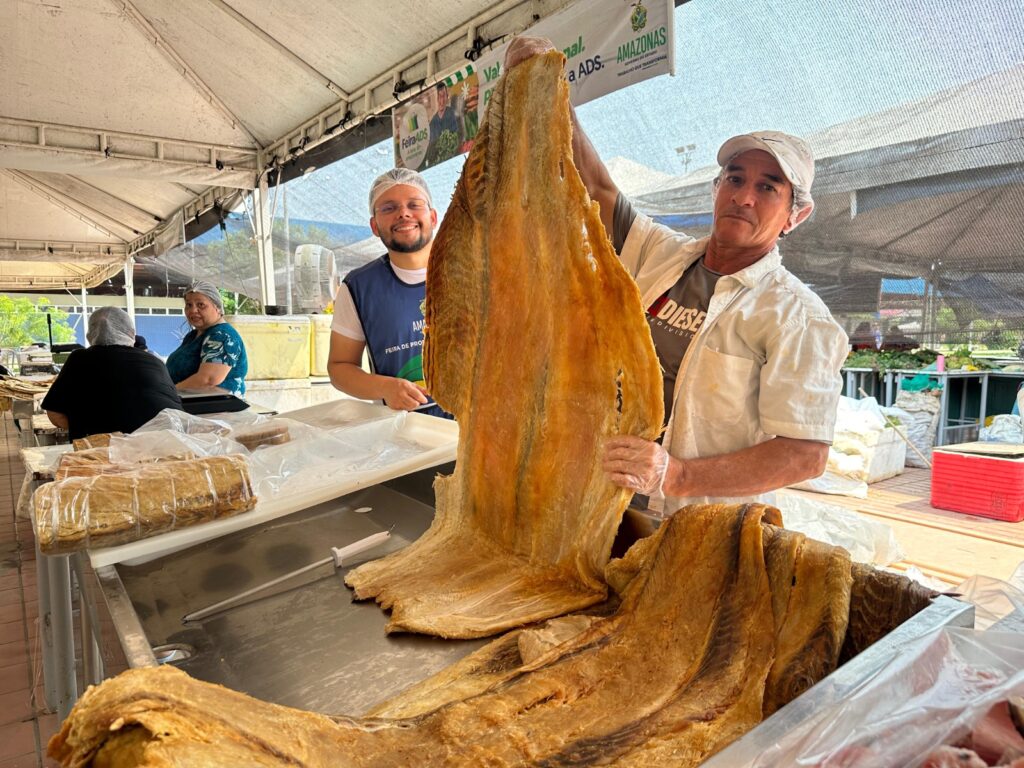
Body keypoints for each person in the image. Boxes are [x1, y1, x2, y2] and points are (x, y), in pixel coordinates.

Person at [504, 38, 849, 513]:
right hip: (607, 496)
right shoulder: (660, 254)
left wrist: (678, 474)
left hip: (697, 522)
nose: (744, 196)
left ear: (796, 215)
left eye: (768, 187)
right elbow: (596, 185)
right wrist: (549, 87)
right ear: (716, 189)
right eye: (735, 178)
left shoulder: (797, 316)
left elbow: (805, 454)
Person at [327, 169, 450, 419]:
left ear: (434, 217)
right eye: (388, 208)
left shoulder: (473, 271)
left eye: (414, 205)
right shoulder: (359, 288)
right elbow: (339, 367)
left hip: (482, 428)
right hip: (408, 436)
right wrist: (385, 388)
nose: (403, 213)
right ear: (374, 225)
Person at [42, 307, 183, 440]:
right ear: (132, 333)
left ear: (90, 335)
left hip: (105, 455)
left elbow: (55, 414)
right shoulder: (155, 360)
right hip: (170, 443)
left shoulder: (79, 358)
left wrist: (83, 429)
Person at [165, 281, 248, 396]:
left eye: (201, 305)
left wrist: (167, 392)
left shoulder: (222, 335)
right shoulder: (193, 336)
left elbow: (208, 380)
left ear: (217, 307)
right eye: (189, 305)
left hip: (217, 410)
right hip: (189, 405)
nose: (193, 310)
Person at [427, 82, 463, 166]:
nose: (441, 101)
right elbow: (432, 148)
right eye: (439, 97)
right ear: (436, 99)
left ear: (447, 97)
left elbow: (459, 137)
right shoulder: (432, 123)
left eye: (443, 96)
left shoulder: (453, 114)